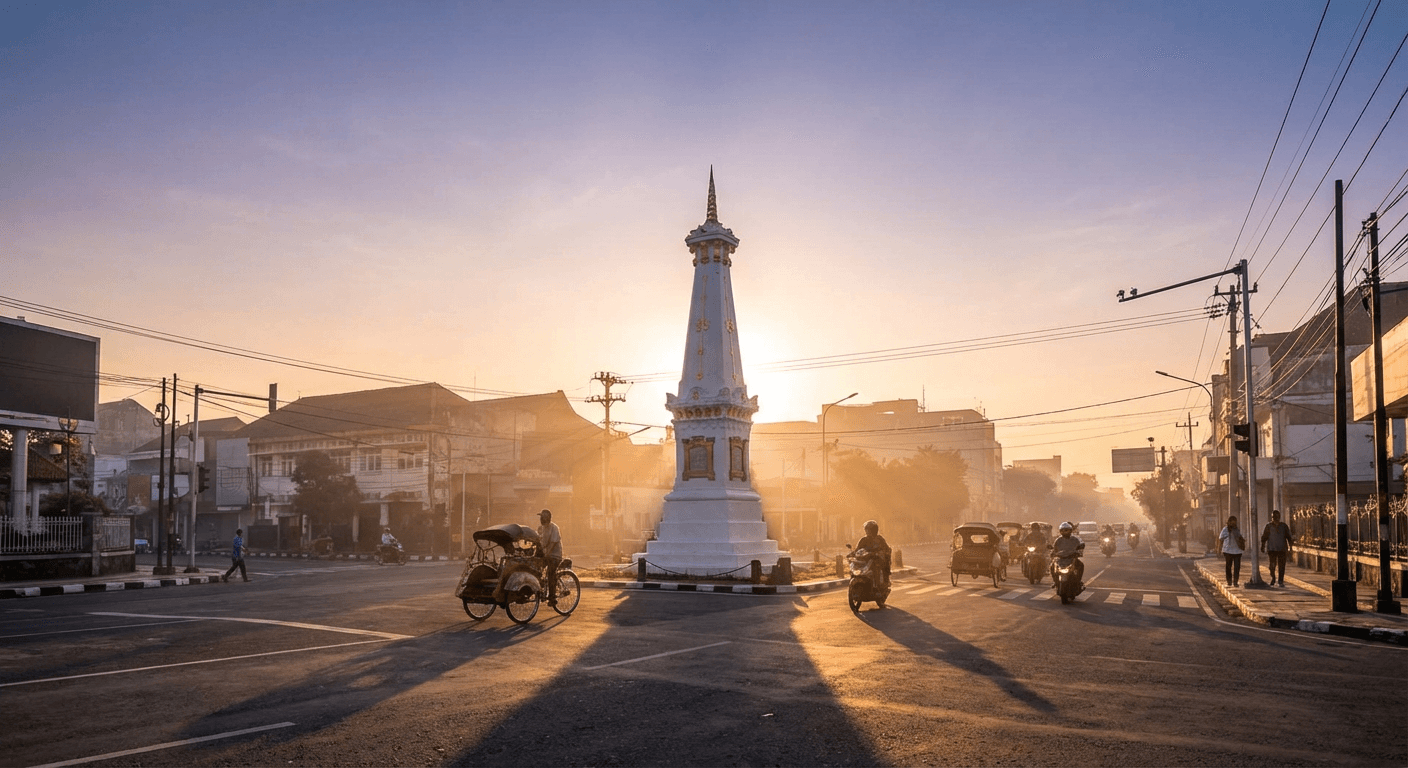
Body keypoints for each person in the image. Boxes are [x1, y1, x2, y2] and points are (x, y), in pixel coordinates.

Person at [1260, 509, 1294, 587]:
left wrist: (1291, 547)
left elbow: (1288, 537)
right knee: (1272, 565)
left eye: (1277, 517)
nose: (1275, 518)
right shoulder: (1268, 526)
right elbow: (1264, 537)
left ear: (1279, 517)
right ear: (1272, 517)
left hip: (1282, 549)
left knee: (1281, 566)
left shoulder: (1284, 526)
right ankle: (1273, 577)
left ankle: (1280, 581)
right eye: (1274, 517)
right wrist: (1262, 546)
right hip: (1271, 549)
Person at [537, 509, 563, 606]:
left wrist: (547, 553)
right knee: (537, 568)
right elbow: (540, 541)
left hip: (555, 556)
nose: (541, 519)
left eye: (542, 517)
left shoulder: (554, 528)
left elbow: (552, 543)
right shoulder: (542, 528)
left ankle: (552, 598)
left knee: (551, 573)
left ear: (547, 518)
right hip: (546, 555)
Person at [856, 520, 892, 588]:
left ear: (874, 530)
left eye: (869, 529)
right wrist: (852, 553)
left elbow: (886, 548)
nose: (867, 531)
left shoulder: (879, 539)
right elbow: (857, 549)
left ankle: (886, 580)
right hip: (866, 560)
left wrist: (885, 552)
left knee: (884, 565)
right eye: (866, 529)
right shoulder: (863, 540)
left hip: (877, 560)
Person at [1219, 515, 1245, 587]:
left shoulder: (1238, 529)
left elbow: (1243, 538)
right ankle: (1229, 581)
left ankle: (1235, 581)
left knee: (1237, 567)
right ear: (1229, 522)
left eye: (1234, 522)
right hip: (1227, 551)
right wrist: (1219, 549)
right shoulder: (1225, 530)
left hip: (1237, 551)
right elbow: (1221, 539)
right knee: (1228, 567)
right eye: (1231, 522)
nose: (1233, 524)